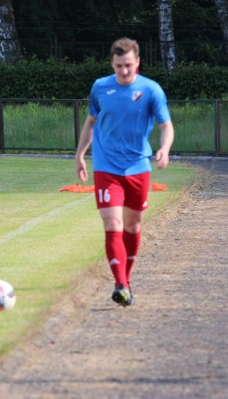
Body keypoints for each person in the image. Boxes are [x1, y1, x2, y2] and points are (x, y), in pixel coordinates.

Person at [75, 37, 174, 307]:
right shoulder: (100, 88)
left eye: (128, 65)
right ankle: (119, 283)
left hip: (139, 167)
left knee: (133, 225)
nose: (124, 71)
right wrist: (80, 153)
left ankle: (126, 281)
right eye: (119, 66)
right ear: (112, 63)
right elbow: (91, 122)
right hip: (106, 167)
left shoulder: (151, 90)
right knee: (113, 225)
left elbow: (166, 126)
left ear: (137, 62)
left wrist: (164, 149)